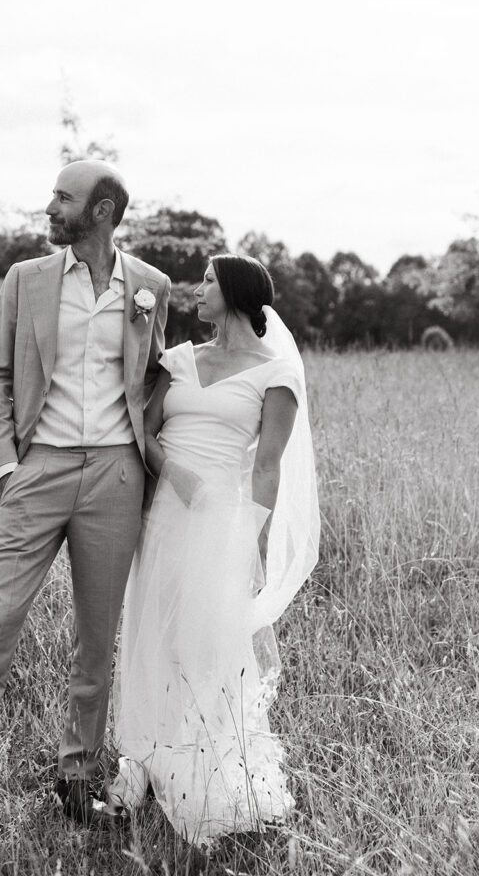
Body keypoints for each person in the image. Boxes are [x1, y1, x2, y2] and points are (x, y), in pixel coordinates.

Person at [0, 159, 170, 863]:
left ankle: (77, 779)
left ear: (103, 211)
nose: (49, 206)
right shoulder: (25, 280)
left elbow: (154, 379)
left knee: (96, 639)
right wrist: (5, 466)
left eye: (64, 197)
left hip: (116, 476)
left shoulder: (151, 288)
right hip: (38, 470)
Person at [108, 253, 320, 846]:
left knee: (202, 642)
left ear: (236, 292)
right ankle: (140, 761)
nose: (196, 290)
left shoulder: (276, 375)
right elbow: (142, 432)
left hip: (222, 523)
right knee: (151, 631)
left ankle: (195, 762)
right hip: (163, 514)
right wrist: (176, 476)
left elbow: (269, 468)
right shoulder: (179, 359)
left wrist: (248, 543)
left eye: (207, 281)